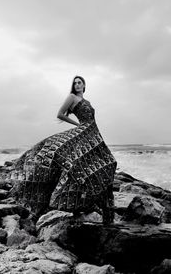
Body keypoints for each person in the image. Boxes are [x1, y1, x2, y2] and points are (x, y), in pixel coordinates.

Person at [9, 75, 117, 224]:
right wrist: (76, 125)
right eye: (75, 83)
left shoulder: (87, 101)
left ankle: (99, 205)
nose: (77, 85)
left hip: (93, 133)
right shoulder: (72, 97)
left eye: (80, 83)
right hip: (84, 130)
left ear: (84, 85)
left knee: (109, 162)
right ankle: (80, 202)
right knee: (71, 160)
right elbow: (59, 114)